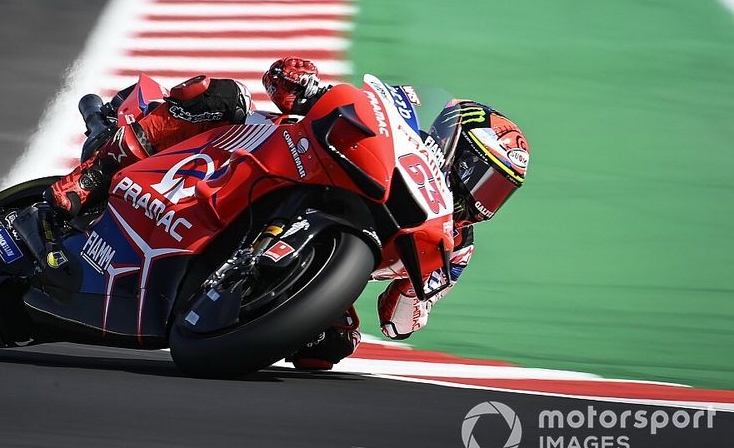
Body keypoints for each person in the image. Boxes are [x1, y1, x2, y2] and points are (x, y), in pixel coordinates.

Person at [44, 58, 530, 371]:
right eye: (482, 175)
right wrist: (304, 83)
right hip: (265, 159)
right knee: (222, 95)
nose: (485, 197)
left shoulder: (454, 244)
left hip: (316, 257)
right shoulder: (403, 127)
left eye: (500, 191)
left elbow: (397, 323)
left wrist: (422, 300)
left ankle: (231, 309)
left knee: (332, 343)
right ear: (452, 143)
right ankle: (95, 172)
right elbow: (284, 81)